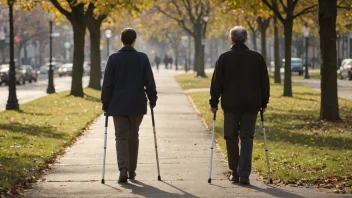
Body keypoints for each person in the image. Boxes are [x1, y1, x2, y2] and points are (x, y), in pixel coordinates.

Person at [209, 26, 270, 185]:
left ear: (231, 39)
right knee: (247, 137)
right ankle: (244, 174)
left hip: (231, 104)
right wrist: (264, 102)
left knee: (230, 136)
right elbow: (264, 82)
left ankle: (235, 172)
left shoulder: (224, 58)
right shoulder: (257, 58)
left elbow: (216, 83)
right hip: (251, 104)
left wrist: (214, 102)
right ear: (246, 39)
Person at [101, 28, 158, 183]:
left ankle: (123, 169)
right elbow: (149, 82)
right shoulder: (142, 58)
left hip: (117, 105)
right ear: (134, 40)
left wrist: (105, 103)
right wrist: (152, 99)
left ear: (121, 40)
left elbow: (107, 84)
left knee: (121, 136)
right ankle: (132, 170)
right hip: (136, 104)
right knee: (133, 135)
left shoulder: (113, 59)